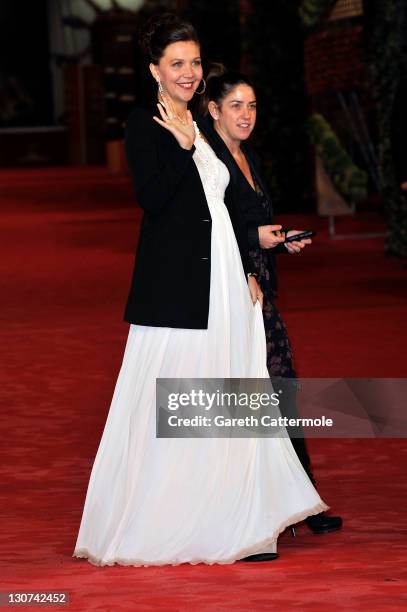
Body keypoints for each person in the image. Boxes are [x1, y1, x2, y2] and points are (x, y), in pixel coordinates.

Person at [73, 14, 327, 567]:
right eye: (176, 64)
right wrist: (185, 148)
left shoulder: (203, 128)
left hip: (229, 288)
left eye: (193, 62)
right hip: (182, 294)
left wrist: (258, 254)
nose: (188, 73)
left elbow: (218, 212)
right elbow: (156, 201)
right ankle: (186, 520)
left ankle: (243, 521)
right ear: (155, 71)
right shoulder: (146, 126)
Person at [196, 68, 342, 534]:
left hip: (259, 286)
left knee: (280, 390)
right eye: (236, 106)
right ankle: (268, 506)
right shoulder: (210, 160)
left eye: (252, 106)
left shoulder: (245, 156)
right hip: (231, 291)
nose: (246, 115)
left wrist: (278, 240)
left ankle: (300, 501)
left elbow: (252, 224)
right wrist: (252, 248)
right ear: (213, 110)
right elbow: (204, 229)